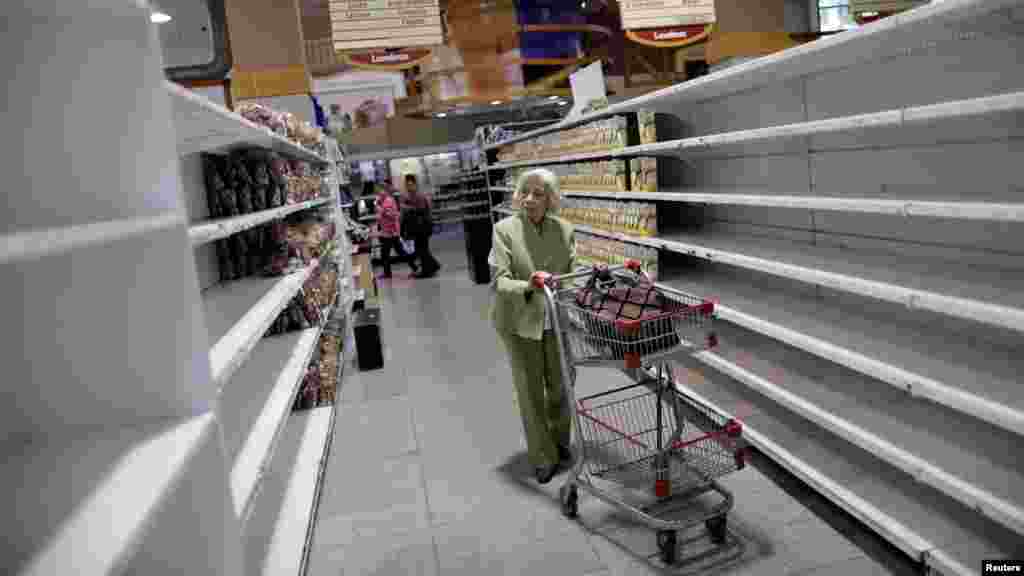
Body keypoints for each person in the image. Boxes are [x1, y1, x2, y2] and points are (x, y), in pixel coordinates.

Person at [488, 168, 575, 484]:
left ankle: (560, 442)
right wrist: (529, 283)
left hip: (554, 319)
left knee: (562, 386)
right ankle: (542, 457)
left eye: (538, 194)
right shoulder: (504, 230)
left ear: (551, 200)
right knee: (530, 392)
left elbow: (571, 273)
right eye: (524, 192)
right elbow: (499, 282)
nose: (529, 199)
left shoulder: (564, 230)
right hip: (519, 320)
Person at [401, 173, 441, 278]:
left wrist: (408, 208)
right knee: (422, 249)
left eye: (410, 185)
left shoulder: (419, 195)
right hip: (418, 227)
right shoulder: (410, 196)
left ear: (415, 184)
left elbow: (422, 210)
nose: (408, 187)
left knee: (421, 249)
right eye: (407, 185)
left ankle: (428, 270)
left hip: (423, 227)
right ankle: (432, 266)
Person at [375, 184, 418, 279]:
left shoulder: (388, 201)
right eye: (378, 191)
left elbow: (391, 216)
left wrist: (380, 210)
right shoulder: (383, 201)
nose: (378, 193)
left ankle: (414, 267)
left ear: (385, 191)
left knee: (395, 253)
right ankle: (413, 267)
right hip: (387, 232)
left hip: (390, 232)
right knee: (390, 253)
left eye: (380, 191)